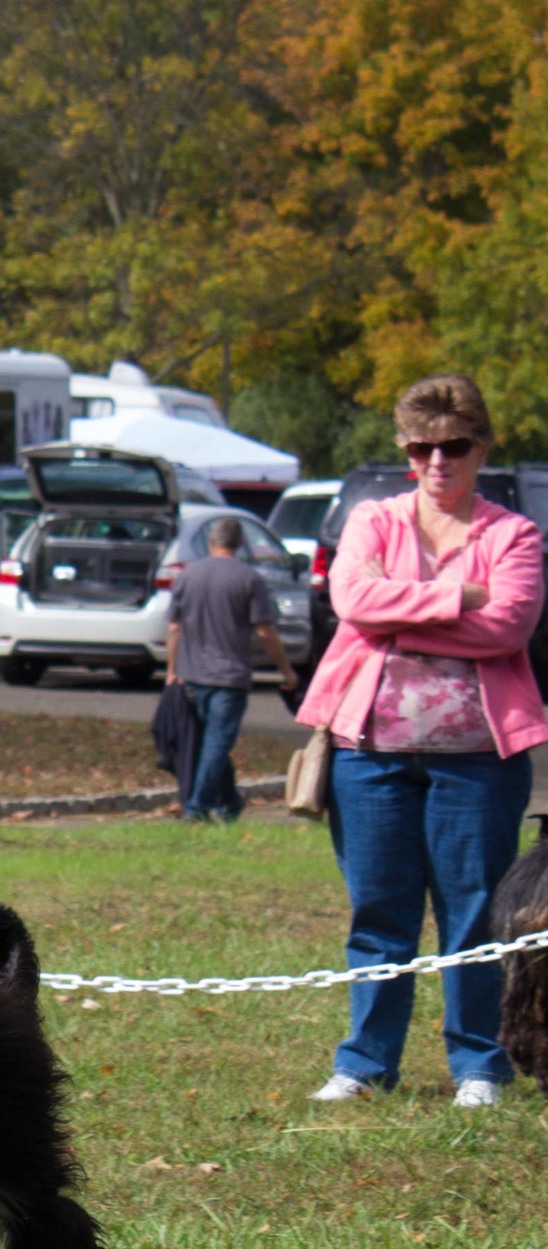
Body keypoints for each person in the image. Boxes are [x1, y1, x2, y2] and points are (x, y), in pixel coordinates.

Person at [294, 374, 546, 1108]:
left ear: (482, 447)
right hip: (367, 755)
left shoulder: (513, 534)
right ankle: (365, 1062)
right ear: (407, 452)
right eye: (423, 447)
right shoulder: (373, 520)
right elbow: (351, 600)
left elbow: (511, 624)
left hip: (478, 762)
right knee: (379, 911)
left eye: (455, 445)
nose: (439, 461)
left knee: (473, 915)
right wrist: (457, 596)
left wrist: (398, 614)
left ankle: (479, 1064)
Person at [163, 515, 297, 821]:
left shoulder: (186, 577)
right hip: (229, 677)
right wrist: (286, 670)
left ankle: (228, 805)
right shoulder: (248, 578)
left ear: (211, 542)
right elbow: (264, 631)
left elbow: (174, 628)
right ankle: (196, 808)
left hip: (191, 675)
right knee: (216, 744)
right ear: (239, 543)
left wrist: (172, 669)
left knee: (212, 744)